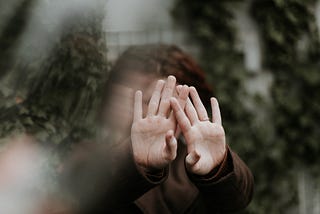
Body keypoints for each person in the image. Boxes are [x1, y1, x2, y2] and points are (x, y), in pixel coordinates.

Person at [59, 44, 254, 214]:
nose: (158, 113)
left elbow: (237, 198)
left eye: (169, 102)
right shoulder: (88, 155)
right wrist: (136, 161)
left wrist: (218, 168)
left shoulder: (195, 164)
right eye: (145, 100)